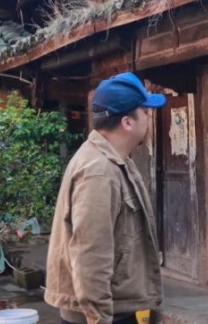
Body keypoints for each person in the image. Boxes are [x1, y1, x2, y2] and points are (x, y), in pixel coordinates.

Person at [45, 72, 166, 324]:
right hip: (106, 314)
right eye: (145, 111)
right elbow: (90, 255)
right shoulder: (98, 171)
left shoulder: (117, 161)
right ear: (127, 122)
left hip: (120, 307)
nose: (149, 118)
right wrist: (98, 318)